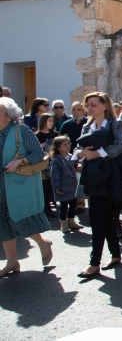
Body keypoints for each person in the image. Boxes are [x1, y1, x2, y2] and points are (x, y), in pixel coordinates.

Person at [73, 92, 122, 278]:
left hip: (108, 178)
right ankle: (115, 255)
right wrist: (82, 154)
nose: (90, 107)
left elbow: (121, 146)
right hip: (92, 177)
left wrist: (100, 153)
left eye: (94, 104)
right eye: (88, 104)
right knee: (104, 218)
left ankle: (94, 263)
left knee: (97, 219)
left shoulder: (116, 124)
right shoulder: (87, 126)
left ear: (105, 105)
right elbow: (77, 148)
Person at [0, 97, 53, 277]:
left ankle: (43, 243)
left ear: (9, 115)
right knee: (3, 224)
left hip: (18, 184)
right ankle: (12, 262)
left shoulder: (20, 130)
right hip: (0, 185)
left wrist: (19, 162)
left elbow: (39, 153)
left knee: (22, 219)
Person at [49, 136, 83, 234]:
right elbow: (55, 175)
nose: (68, 146)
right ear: (58, 148)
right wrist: (56, 187)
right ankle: (63, 224)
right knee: (64, 206)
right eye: (64, 145)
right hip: (63, 187)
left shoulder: (71, 156)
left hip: (72, 186)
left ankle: (71, 221)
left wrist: (77, 165)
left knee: (73, 204)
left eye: (68, 144)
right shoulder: (57, 160)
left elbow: (74, 164)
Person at [35, 113, 59, 218]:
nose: (51, 123)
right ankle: (45, 209)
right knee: (44, 187)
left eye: (52, 120)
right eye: (49, 120)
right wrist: (44, 144)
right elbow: (33, 149)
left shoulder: (55, 134)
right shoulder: (37, 135)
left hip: (53, 163)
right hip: (42, 164)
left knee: (54, 185)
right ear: (44, 121)